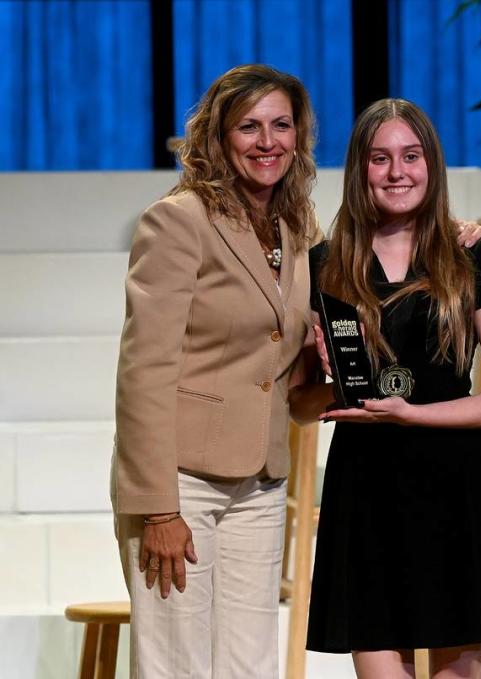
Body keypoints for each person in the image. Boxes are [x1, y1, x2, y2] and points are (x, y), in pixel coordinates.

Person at [290, 98, 481, 679]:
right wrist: (331, 384)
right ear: (359, 170)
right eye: (380, 159)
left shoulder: (473, 256)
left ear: (432, 165)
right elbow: (301, 405)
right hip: (367, 497)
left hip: (461, 493)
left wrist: (412, 415)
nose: (397, 172)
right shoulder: (325, 266)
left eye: (411, 156)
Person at [112, 64, 319, 677]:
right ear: (218, 137)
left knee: (249, 664)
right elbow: (144, 370)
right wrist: (159, 510)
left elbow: (279, 352)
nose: (267, 141)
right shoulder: (179, 220)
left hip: (259, 478)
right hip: (181, 483)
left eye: (281, 125)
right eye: (249, 126)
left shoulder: (296, 226)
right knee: (177, 664)